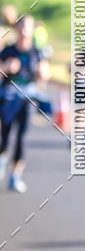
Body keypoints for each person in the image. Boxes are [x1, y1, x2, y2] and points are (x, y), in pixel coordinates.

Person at [0, 14, 50, 192]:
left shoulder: (37, 52)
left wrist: (42, 73)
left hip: (28, 99)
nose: (24, 30)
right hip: (9, 98)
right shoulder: (8, 51)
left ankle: (15, 176)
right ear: (16, 29)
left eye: (27, 27)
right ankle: (2, 160)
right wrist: (6, 67)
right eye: (21, 26)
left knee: (21, 137)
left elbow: (45, 76)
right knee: (5, 133)